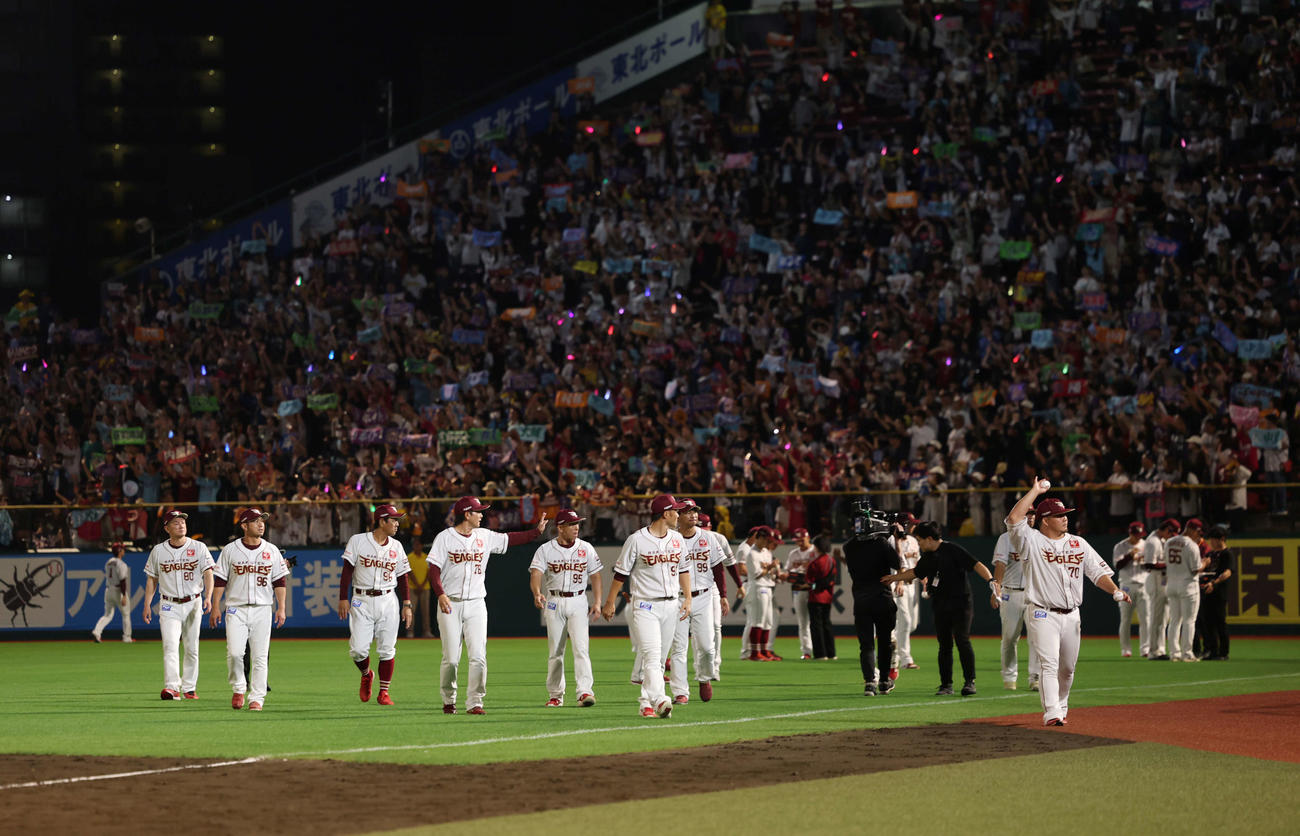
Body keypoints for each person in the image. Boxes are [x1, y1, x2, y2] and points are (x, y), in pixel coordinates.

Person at [1005, 481, 1130, 727]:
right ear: (1044, 520)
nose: (1065, 518)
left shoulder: (1078, 543)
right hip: (1042, 613)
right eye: (1059, 515)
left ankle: (1061, 706)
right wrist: (1035, 492)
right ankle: (1051, 711)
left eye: (1065, 514)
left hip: (1072, 614)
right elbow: (1013, 518)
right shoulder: (1030, 541)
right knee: (1049, 664)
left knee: (1068, 669)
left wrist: (1115, 590)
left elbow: (1097, 573)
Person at [428, 496, 547, 714]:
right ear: (467, 514)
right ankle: (449, 699)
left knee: (478, 656)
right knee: (451, 659)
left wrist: (536, 532)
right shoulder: (444, 538)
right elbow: (433, 570)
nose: (482, 515)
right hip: (450, 603)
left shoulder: (484, 536)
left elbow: (511, 539)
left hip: (476, 603)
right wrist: (441, 594)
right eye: (478, 511)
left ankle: (475, 702)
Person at [600, 493, 691, 719]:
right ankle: (661, 699)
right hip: (645, 605)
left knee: (658, 660)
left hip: (671, 604)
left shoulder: (677, 539)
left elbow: (684, 570)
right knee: (651, 655)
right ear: (665, 514)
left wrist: (688, 598)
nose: (679, 514)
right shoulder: (637, 539)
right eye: (676, 511)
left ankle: (645, 703)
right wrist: (610, 602)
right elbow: (620, 574)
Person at [882, 521, 995, 696]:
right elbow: (915, 573)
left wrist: (991, 581)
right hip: (941, 604)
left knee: (962, 640)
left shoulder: (953, 550)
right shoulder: (928, 557)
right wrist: (894, 578)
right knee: (944, 645)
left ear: (929, 539)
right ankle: (946, 684)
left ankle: (969, 682)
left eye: (920, 540)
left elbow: (976, 564)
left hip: (961, 603)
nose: (919, 544)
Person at [210, 507, 289, 712]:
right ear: (244, 526)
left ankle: (257, 698)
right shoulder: (230, 550)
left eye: (262, 520)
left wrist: (281, 608)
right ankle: (238, 687)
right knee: (235, 653)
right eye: (255, 521)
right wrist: (216, 606)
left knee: (260, 656)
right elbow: (220, 580)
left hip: (263, 608)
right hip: (235, 608)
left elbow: (280, 581)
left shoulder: (272, 550)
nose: (261, 524)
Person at [338, 504, 412, 706]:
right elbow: (347, 570)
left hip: (388, 599)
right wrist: (343, 597)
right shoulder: (358, 541)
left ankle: (384, 692)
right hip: (361, 599)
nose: (397, 524)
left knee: (387, 649)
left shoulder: (396, 546)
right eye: (393, 520)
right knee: (358, 651)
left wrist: (407, 603)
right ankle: (366, 674)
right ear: (381, 521)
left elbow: (403, 577)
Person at [528, 508, 603, 708]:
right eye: (571, 524)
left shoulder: (586, 548)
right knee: (555, 651)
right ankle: (556, 694)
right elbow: (536, 573)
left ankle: (585, 691)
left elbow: (595, 576)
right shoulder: (546, 549)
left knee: (581, 649)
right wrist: (537, 592)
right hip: (554, 600)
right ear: (560, 528)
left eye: (577, 523)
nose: (576, 527)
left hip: (578, 600)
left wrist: (597, 602)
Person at [140, 509, 214, 700]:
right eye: (175, 522)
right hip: (169, 604)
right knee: (170, 645)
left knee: (191, 647)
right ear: (167, 528)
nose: (181, 525)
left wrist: (208, 596)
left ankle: (189, 688)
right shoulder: (158, 551)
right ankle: (172, 687)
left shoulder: (198, 547)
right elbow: (152, 579)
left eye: (182, 521)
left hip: (193, 601)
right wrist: (147, 604)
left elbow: (208, 573)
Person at [666, 498, 726, 704]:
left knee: (707, 647)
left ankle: (704, 677)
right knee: (679, 648)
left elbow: (718, 567)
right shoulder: (670, 539)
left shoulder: (708, 537)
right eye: (687, 511)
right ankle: (680, 692)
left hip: (703, 596)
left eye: (694, 511)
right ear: (678, 516)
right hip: (678, 598)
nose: (693, 514)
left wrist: (723, 595)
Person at [841, 502, 899, 695]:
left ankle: (869, 682)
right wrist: (891, 537)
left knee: (866, 644)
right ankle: (883, 680)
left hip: (861, 600)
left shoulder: (849, 547)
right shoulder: (881, 543)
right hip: (882, 598)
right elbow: (897, 562)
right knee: (884, 641)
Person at [991, 510, 1040, 691]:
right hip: (1010, 593)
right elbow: (1000, 564)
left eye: (1033, 514)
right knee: (1010, 637)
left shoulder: (1040, 537)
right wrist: (996, 590)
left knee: (1037, 637)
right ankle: (1009, 677)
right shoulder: (1006, 538)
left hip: (1034, 594)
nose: (1031, 517)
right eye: (1027, 514)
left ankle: (1036, 677)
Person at [697, 511, 742, 679]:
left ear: (710, 527)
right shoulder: (684, 537)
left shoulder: (718, 538)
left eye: (705, 529)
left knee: (716, 626)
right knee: (696, 630)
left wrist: (738, 585)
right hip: (691, 589)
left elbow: (729, 564)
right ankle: (700, 667)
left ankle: (715, 666)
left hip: (712, 588)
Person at [1162, 518, 1208, 662]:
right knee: (1189, 621)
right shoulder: (1191, 545)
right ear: (1193, 530)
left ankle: (1174, 653)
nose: (1199, 535)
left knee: (1174, 620)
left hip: (1171, 584)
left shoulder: (1169, 542)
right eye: (1198, 532)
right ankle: (1187, 653)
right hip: (1187, 585)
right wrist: (1205, 563)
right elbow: (1195, 569)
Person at [740, 526, 781, 660]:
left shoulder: (766, 552)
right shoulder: (752, 553)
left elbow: (768, 571)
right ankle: (754, 652)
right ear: (758, 538)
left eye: (768, 539)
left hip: (768, 586)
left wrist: (775, 572)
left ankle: (764, 650)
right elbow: (755, 574)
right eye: (765, 539)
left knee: (768, 621)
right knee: (758, 621)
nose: (767, 542)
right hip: (757, 587)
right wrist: (770, 567)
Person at [888, 512, 922, 671]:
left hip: (912, 584)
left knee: (912, 624)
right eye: (911, 523)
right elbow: (898, 562)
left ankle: (891, 647)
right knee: (905, 621)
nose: (914, 526)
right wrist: (899, 581)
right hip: (899, 584)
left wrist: (925, 580)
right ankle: (905, 658)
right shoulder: (891, 540)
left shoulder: (914, 541)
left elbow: (918, 563)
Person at [1142, 518, 1179, 660]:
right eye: (1172, 533)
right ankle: (1153, 651)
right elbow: (1149, 564)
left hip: (1162, 580)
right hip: (1156, 580)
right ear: (1167, 529)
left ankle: (1160, 649)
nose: (1172, 536)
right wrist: (1169, 564)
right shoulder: (1153, 541)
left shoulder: (1160, 540)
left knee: (1163, 619)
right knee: (1156, 618)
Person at [1197, 525, 1235, 660]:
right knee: (1207, 622)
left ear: (1222, 539)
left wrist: (1214, 583)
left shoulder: (1227, 554)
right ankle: (1212, 650)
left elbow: (1228, 572)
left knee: (1220, 621)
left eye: (1214, 539)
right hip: (1206, 591)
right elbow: (1200, 568)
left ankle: (1223, 652)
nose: (1211, 542)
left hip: (1219, 591)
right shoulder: (1210, 554)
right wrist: (1204, 564)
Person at [1111, 522, 1148, 658]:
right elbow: (1118, 565)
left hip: (1143, 584)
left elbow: (1151, 564)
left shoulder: (1146, 545)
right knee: (1126, 619)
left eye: (1140, 535)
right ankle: (1126, 650)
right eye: (1136, 535)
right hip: (1126, 585)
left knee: (1146, 619)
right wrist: (1129, 555)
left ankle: (1145, 649)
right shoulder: (1120, 546)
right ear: (1130, 533)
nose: (1138, 537)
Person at [783, 527, 816, 659]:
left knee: (817, 621)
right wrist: (790, 574)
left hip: (814, 589)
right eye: (797, 540)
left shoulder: (814, 551)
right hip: (798, 589)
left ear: (808, 538)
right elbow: (787, 572)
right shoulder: (793, 553)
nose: (800, 542)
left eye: (802, 540)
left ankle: (820, 650)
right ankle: (807, 651)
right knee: (803, 622)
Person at [804, 534, 837, 660]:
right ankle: (831, 653)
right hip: (827, 597)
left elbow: (809, 582)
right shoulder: (832, 560)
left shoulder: (814, 563)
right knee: (827, 624)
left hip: (815, 597)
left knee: (816, 626)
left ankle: (820, 654)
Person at [92, 541, 133, 643]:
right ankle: (127, 637)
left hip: (108, 590)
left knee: (107, 615)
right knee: (126, 614)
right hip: (118, 590)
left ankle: (97, 632)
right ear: (119, 551)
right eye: (122, 549)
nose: (124, 551)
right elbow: (122, 581)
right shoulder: (122, 564)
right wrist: (124, 595)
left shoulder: (109, 562)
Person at [406, 536, 434, 639]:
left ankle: (427, 631)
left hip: (425, 588)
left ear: (422, 546)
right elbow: (409, 572)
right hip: (412, 588)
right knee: (411, 610)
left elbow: (429, 572)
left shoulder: (427, 557)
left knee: (426, 611)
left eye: (418, 544)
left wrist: (422, 585)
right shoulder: (409, 557)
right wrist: (417, 585)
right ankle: (410, 632)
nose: (417, 546)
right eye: (415, 544)